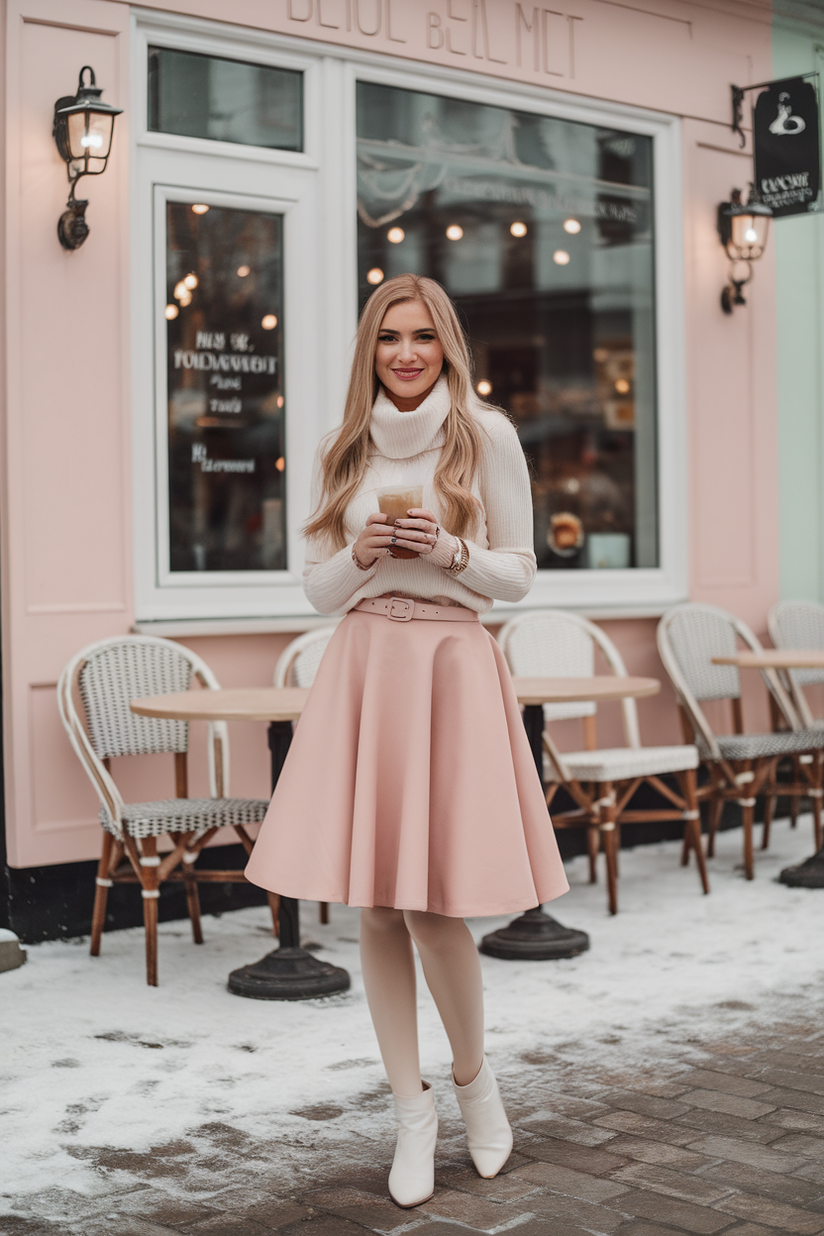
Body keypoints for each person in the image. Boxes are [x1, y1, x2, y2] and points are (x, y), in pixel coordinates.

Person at [246, 273, 569, 1208]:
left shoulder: (486, 433)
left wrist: (446, 552)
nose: (407, 353)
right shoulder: (338, 446)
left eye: (424, 336)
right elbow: (313, 587)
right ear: (370, 349)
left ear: (447, 345)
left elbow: (519, 574)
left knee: (437, 908)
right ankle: (410, 1111)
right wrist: (366, 554)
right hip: (366, 666)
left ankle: (476, 1084)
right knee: (378, 910)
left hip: (452, 669)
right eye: (390, 337)